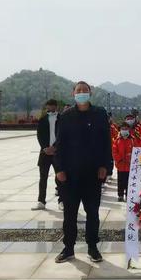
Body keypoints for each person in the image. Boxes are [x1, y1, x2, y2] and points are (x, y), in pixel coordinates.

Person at [54, 81, 112, 264]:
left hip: (93, 174)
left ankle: (92, 247)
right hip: (70, 175)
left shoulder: (100, 114)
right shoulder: (66, 116)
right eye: (78, 91)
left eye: (84, 90)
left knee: (92, 213)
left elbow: (106, 143)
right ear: (73, 94)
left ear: (90, 93)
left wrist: (105, 166)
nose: (81, 93)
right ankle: (68, 248)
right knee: (69, 214)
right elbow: (59, 146)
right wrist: (59, 169)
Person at [32, 99, 62, 211]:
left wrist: (54, 147)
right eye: (48, 106)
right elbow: (39, 135)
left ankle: (62, 201)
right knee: (43, 178)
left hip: (57, 152)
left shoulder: (62, 119)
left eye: (51, 106)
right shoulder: (43, 119)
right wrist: (45, 148)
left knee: (60, 177)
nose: (49, 108)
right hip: (45, 153)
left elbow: (62, 135)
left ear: (55, 106)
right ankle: (41, 201)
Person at [112, 122, 134, 202]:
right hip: (120, 165)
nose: (124, 130)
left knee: (128, 182)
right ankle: (120, 195)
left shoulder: (132, 140)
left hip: (129, 166)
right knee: (120, 181)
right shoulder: (117, 140)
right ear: (120, 130)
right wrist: (120, 159)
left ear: (129, 130)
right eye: (122, 129)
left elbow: (136, 151)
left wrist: (131, 158)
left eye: (126, 129)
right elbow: (114, 151)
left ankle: (128, 195)